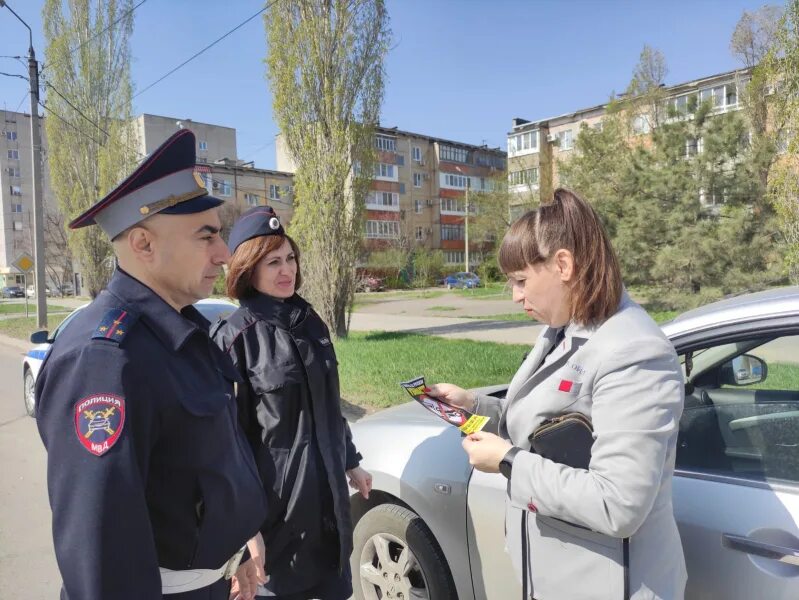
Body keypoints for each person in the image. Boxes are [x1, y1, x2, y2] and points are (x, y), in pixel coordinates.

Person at [35, 129, 269, 600]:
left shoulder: (178, 330)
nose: (224, 254)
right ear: (142, 244)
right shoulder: (105, 360)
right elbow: (102, 553)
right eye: (207, 235)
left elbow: (198, 469)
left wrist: (236, 550)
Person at [427, 188, 687, 600]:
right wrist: (475, 406)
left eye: (521, 280)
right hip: (558, 576)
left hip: (608, 584)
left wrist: (509, 462)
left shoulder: (635, 352)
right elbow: (543, 427)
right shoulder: (562, 328)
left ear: (562, 264)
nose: (515, 296)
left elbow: (617, 504)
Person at [212, 206, 372, 600]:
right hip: (276, 524)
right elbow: (224, 447)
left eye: (290, 259)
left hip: (329, 515)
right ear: (248, 269)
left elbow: (327, 404)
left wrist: (350, 460)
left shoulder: (310, 322)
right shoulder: (235, 339)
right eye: (273, 262)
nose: (287, 271)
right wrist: (244, 531)